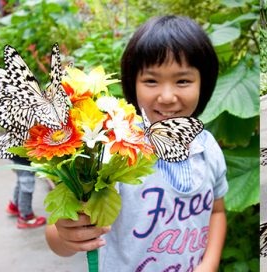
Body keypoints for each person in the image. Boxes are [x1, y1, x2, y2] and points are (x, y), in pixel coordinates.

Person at [45, 15, 227, 271]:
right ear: (133, 83)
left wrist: (209, 263)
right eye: (151, 81)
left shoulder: (208, 149)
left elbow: (217, 211)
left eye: (183, 80)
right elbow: (56, 235)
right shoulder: (111, 150)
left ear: (204, 83)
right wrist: (65, 235)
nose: (166, 96)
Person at [6, 156, 46, 228]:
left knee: (21, 181)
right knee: (27, 183)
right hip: (24, 159)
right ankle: (26, 217)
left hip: (15, 156)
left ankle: (15, 206)